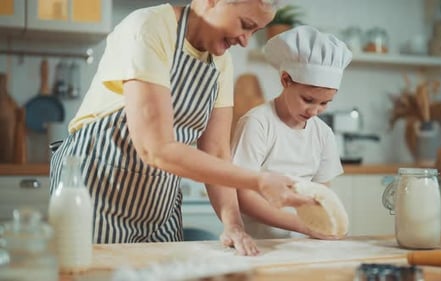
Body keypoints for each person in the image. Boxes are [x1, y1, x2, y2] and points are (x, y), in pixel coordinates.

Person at [49, 0, 316, 256]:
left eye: (254, 31)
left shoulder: (220, 62)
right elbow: (155, 148)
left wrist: (233, 223)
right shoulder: (148, 27)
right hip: (95, 192)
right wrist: (258, 181)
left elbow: (216, 151)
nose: (245, 41)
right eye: (245, 24)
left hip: (159, 206)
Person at [231, 25, 352, 239]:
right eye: (308, 100)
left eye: (325, 103)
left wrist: (326, 224)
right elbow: (243, 195)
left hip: (305, 245)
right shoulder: (257, 123)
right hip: (260, 243)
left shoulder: (323, 134)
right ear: (285, 80)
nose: (315, 111)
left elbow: (322, 195)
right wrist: (303, 226)